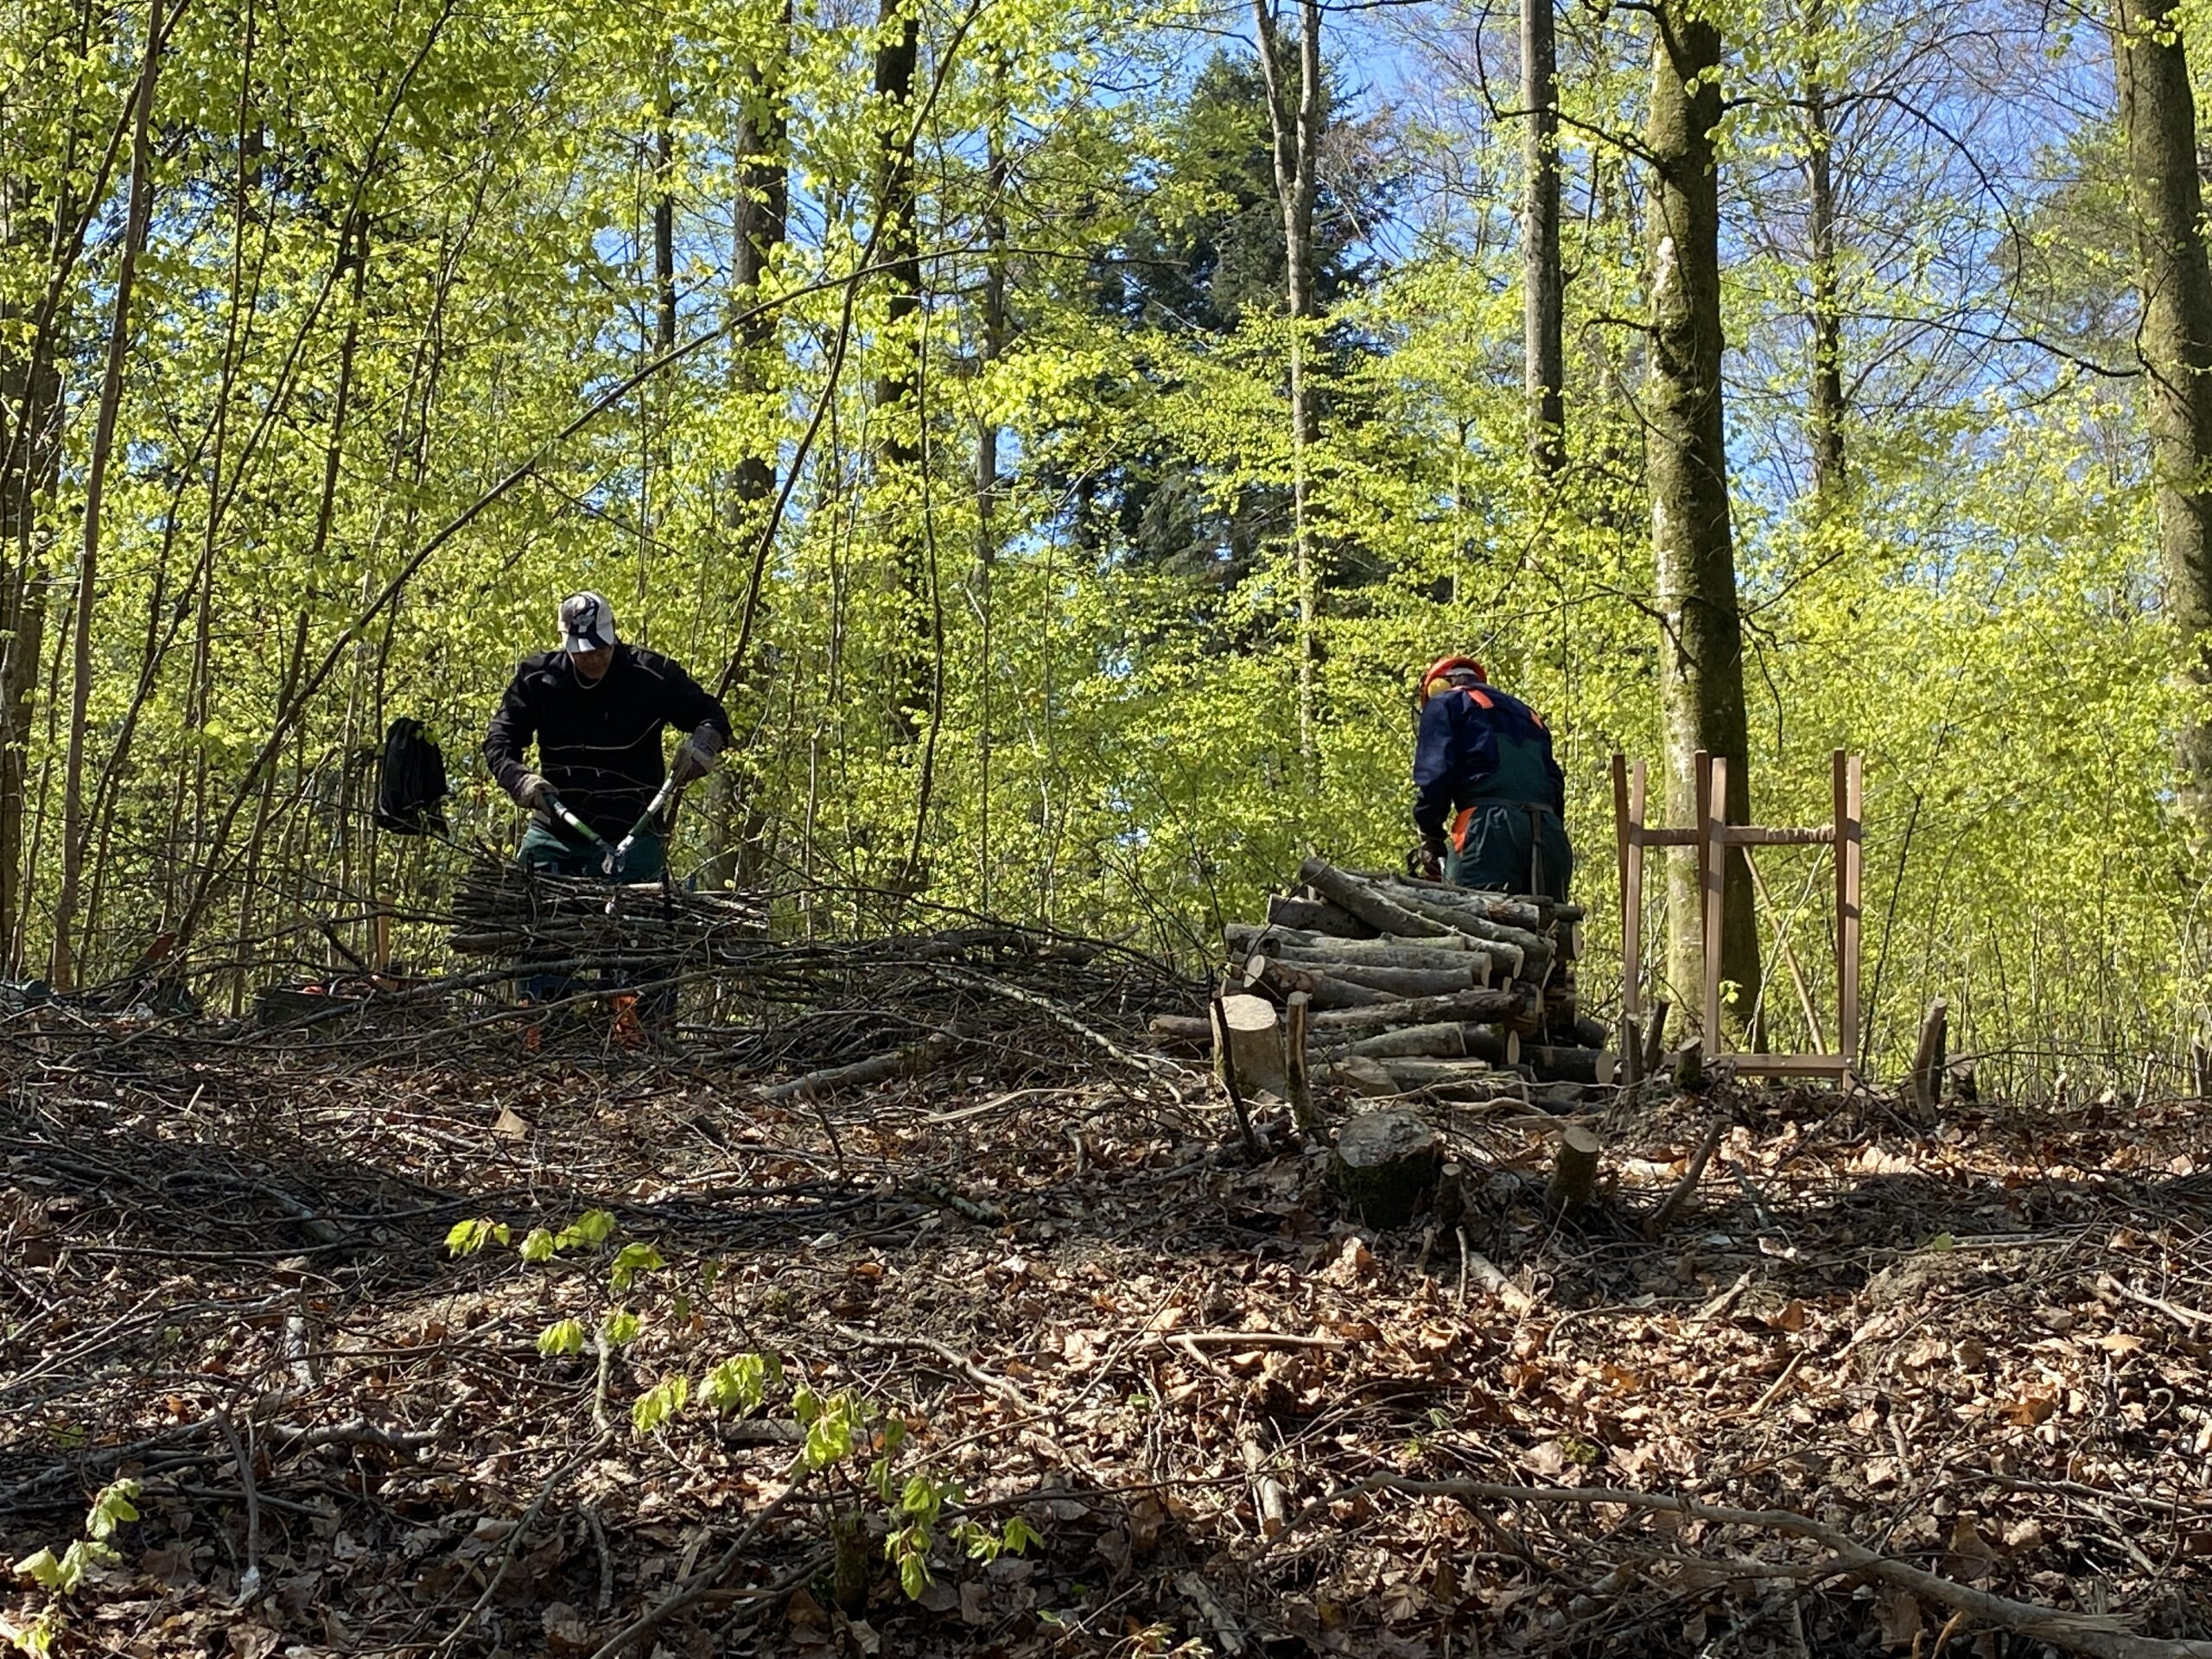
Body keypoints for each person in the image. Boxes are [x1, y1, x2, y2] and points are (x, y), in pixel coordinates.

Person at [485, 591, 734, 881]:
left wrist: (703, 746)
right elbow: (499, 739)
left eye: (600, 647)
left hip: (635, 835)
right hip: (555, 831)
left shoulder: (653, 675)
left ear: (613, 631)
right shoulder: (537, 678)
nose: (593, 658)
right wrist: (518, 779)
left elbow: (713, 717)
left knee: (646, 906)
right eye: (582, 651)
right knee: (516, 900)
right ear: (564, 640)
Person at [1411, 655, 1573, 902]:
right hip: (1549, 831)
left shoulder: (1445, 702)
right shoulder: (1529, 715)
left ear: (1438, 685)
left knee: (1472, 916)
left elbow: (1435, 776)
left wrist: (1430, 832)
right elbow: (1555, 785)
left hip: (1488, 831)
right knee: (1551, 921)